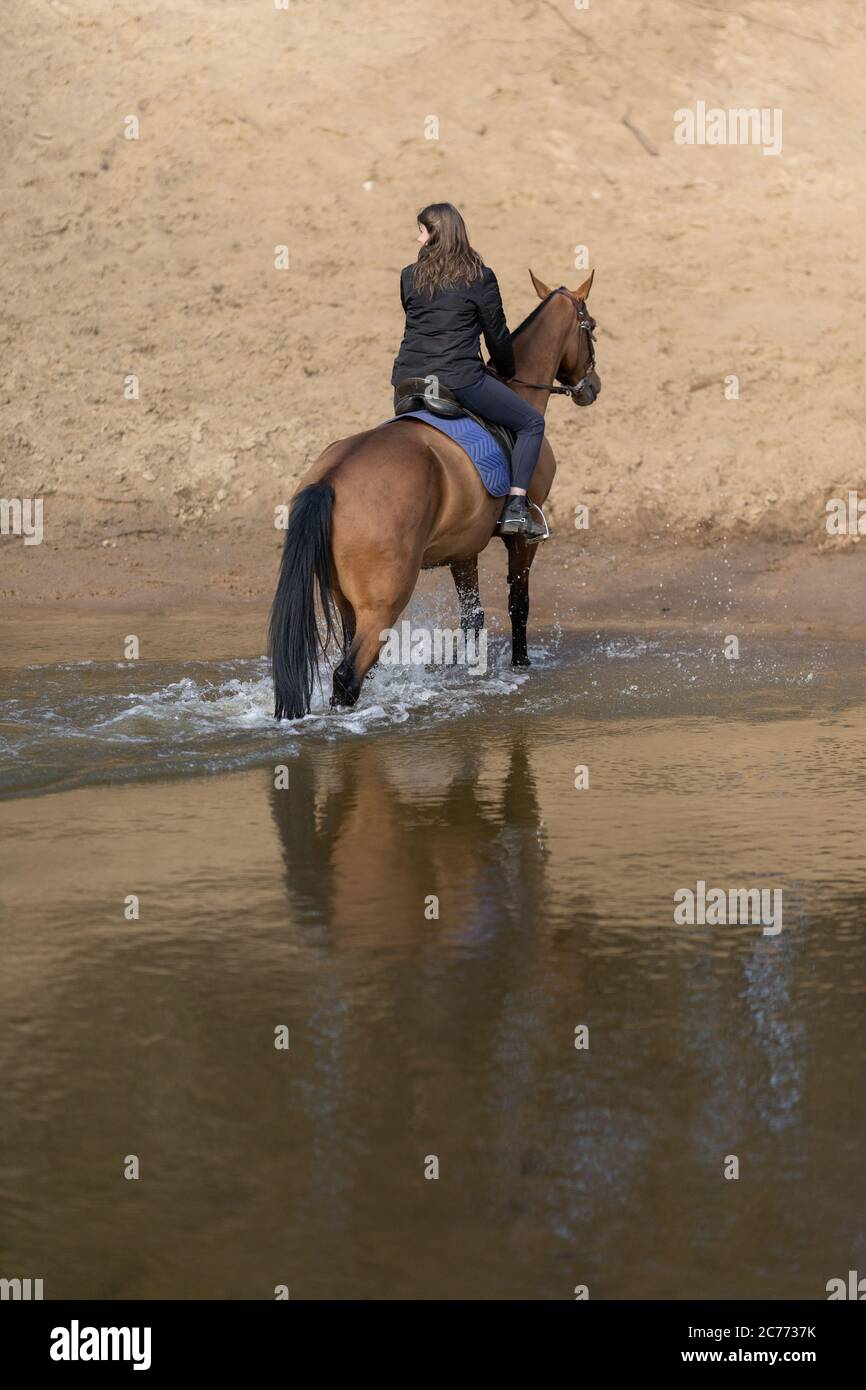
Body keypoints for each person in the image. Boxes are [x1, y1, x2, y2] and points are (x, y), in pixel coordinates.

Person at [391, 202, 545, 539]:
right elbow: (497, 334)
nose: (418, 239)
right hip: (457, 380)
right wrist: (505, 370)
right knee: (532, 422)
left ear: (437, 236)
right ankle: (517, 507)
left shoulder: (408, 276)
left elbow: (419, 323)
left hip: (408, 382)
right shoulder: (480, 278)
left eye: (422, 231)